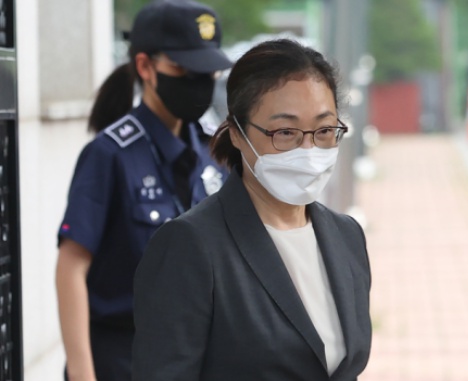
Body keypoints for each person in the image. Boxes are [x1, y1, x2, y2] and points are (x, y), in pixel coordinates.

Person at [133, 38, 372, 380]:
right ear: (237, 134)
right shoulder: (191, 245)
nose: (308, 149)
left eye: (323, 130)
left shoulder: (346, 235)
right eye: (285, 132)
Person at [55, 1, 232, 380]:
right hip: (121, 360)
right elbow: (71, 267)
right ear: (145, 67)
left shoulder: (211, 154)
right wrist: (83, 375)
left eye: (206, 70)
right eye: (181, 68)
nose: (197, 81)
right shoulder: (109, 155)